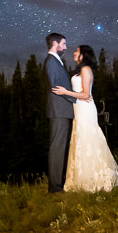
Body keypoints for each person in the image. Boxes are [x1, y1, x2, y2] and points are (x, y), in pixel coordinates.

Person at [54, 44, 118, 192]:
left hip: (85, 108)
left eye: (77, 52)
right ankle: (83, 178)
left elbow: (85, 95)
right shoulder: (80, 70)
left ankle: (95, 177)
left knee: (88, 139)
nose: (74, 53)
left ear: (83, 55)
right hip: (79, 109)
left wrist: (66, 92)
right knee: (80, 140)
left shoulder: (86, 69)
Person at [43, 32, 74, 193]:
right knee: (57, 149)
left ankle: (60, 183)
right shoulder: (52, 62)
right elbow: (56, 87)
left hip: (62, 110)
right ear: (55, 44)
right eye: (63, 44)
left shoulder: (56, 61)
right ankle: (55, 188)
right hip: (59, 111)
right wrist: (76, 99)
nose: (65, 47)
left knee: (62, 148)